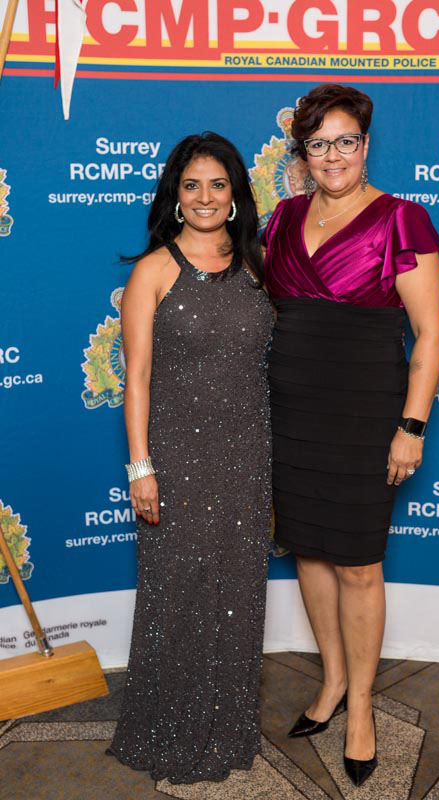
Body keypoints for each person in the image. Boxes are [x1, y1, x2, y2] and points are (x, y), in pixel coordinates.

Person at [262, 84, 439, 788]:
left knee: (359, 564)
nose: (333, 155)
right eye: (318, 144)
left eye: (345, 140)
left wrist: (410, 427)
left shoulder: (401, 219)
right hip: (291, 415)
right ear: (302, 154)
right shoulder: (281, 219)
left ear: (365, 145)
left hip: (366, 415)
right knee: (310, 550)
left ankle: (362, 704)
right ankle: (333, 680)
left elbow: (431, 332)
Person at [107, 133, 273, 784]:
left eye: (217, 185)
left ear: (235, 195)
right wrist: (139, 466)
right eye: (192, 185)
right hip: (175, 456)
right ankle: (165, 729)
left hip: (248, 453)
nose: (205, 197)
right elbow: (137, 379)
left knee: (237, 593)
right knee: (176, 593)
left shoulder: (260, 265)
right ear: (175, 196)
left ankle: (227, 727)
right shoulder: (153, 270)